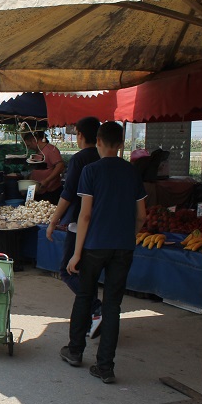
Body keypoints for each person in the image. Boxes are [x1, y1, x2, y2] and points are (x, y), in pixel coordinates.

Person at [62, 122, 147, 384]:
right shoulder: (132, 173)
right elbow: (142, 215)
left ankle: (75, 351)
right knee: (113, 305)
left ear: (98, 141)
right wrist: (128, 233)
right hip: (123, 247)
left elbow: (85, 215)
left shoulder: (91, 171)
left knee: (85, 296)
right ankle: (105, 366)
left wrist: (76, 254)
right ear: (121, 143)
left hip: (94, 246)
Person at [46, 116, 103, 337]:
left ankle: (96, 309)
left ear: (80, 135)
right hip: (100, 225)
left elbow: (68, 194)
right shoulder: (104, 157)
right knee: (87, 272)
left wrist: (53, 222)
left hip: (80, 222)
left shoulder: (80, 159)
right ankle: (94, 316)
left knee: (67, 270)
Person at [23, 131, 65, 204]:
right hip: (39, 191)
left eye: (29, 145)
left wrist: (47, 180)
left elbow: (60, 166)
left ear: (34, 140)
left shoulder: (50, 149)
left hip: (50, 192)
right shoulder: (38, 152)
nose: (29, 148)